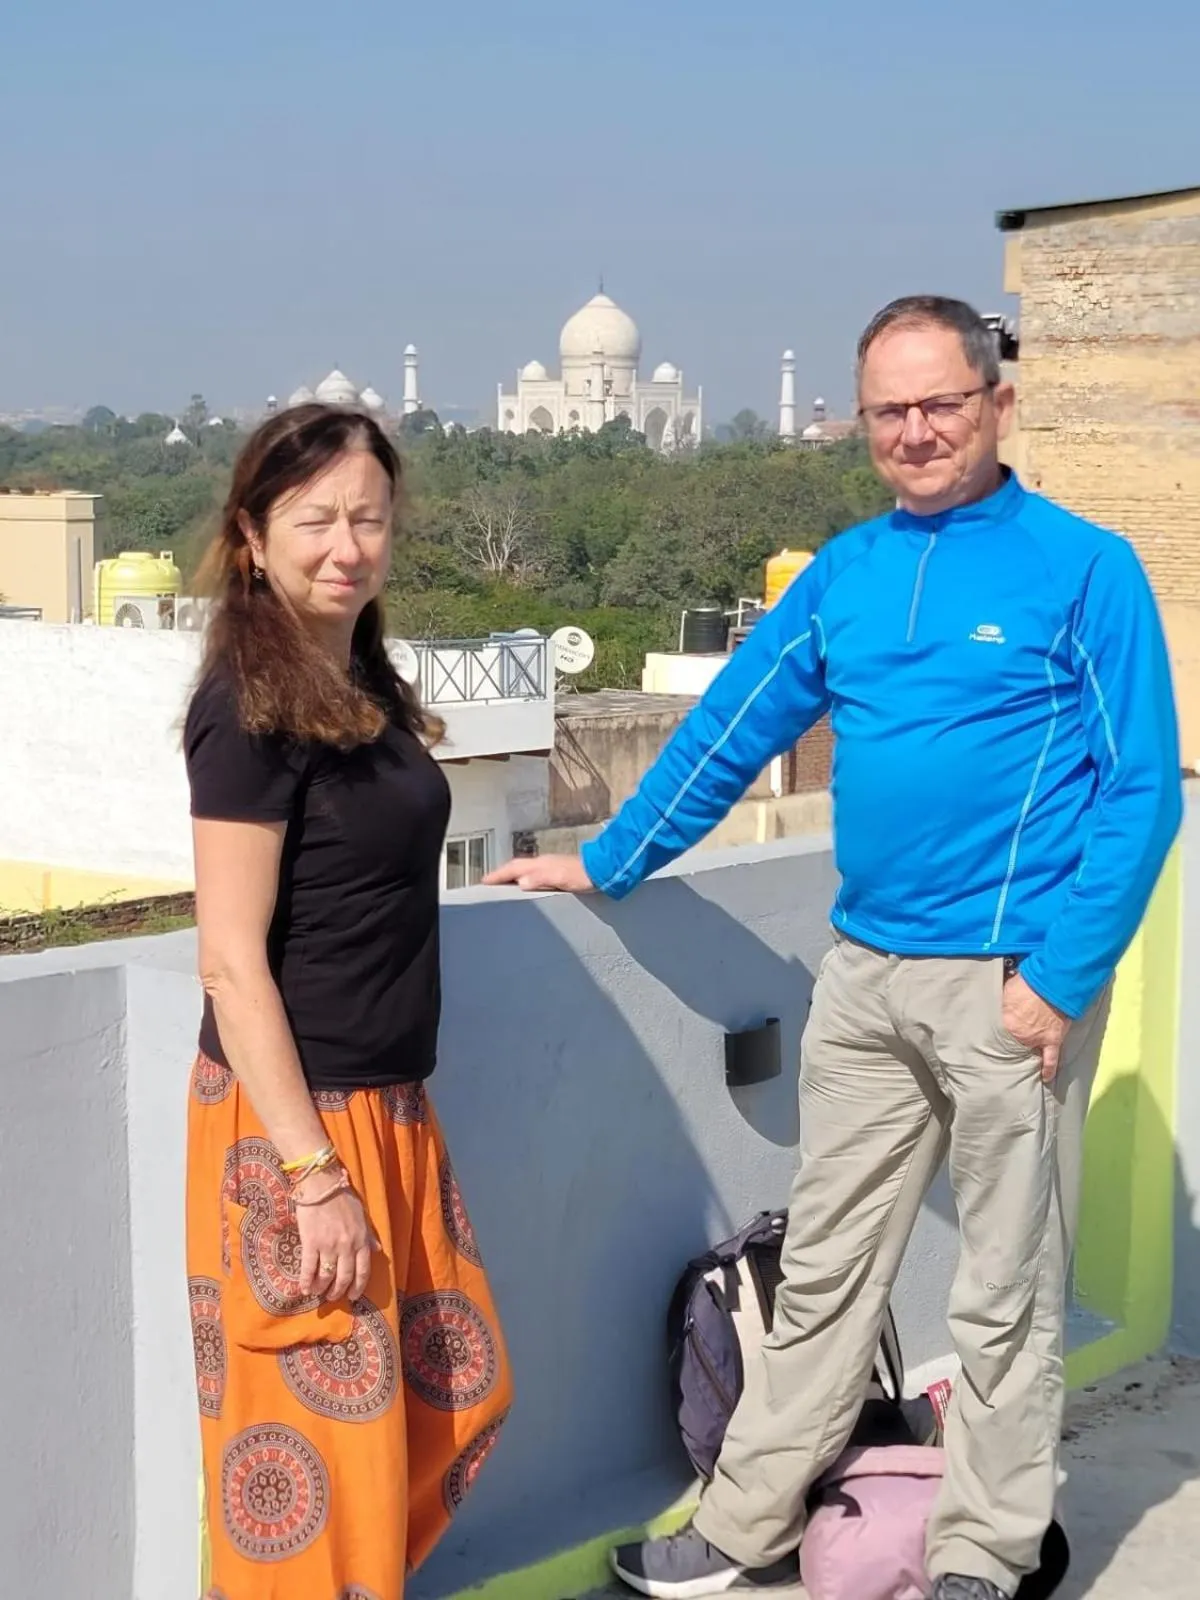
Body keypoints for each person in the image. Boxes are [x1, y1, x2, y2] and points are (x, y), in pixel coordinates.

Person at [485, 297, 1182, 1600]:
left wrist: (1061, 981)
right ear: (863, 424)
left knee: (1005, 1294)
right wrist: (608, 855)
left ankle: (985, 1554)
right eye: (890, 413)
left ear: (996, 406)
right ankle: (742, 1527)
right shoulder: (848, 578)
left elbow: (1142, 791)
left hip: (1011, 983)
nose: (918, 433)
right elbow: (727, 732)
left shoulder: (1083, 570)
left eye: (942, 405)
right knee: (821, 1273)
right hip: (866, 981)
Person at [184, 403, 511, 1600]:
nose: (346, 545)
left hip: (388, 1108)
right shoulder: (247, 707)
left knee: (445, 1400)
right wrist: (312, 1172)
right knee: (315, 1467)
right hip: (292, 1127)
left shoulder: (353, 678)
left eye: (367, 518)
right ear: (252, 538)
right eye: (314, 519)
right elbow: (229, 955)